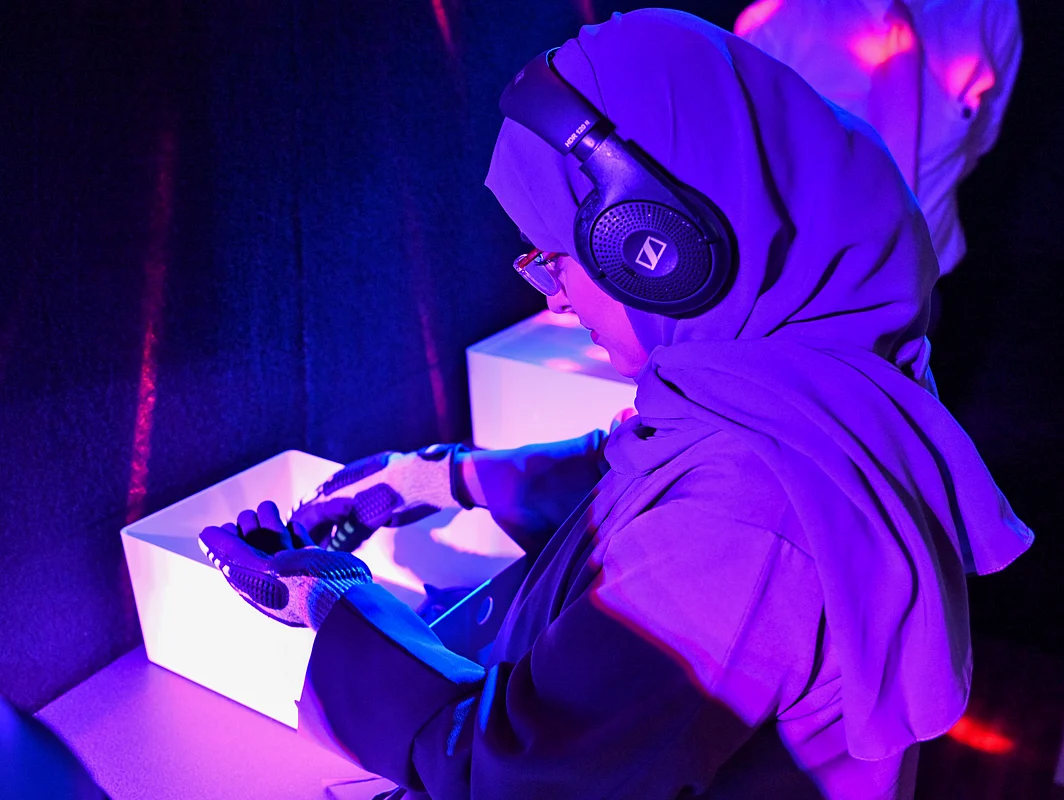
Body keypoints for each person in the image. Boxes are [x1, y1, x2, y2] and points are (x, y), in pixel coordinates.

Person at [199, 9, 1033, 798]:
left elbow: (519, 779)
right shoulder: (799, 380)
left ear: (657, 249)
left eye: (555, 256)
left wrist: (339, 601)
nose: (554, 297)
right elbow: (636, 470)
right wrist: (437, 479)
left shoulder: (741, 523)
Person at [733, 0, 1022, 280]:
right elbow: (743, 167)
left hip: (927, 281)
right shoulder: (776, 22)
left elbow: (979, 141)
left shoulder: (989, 10)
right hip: (803, 285)